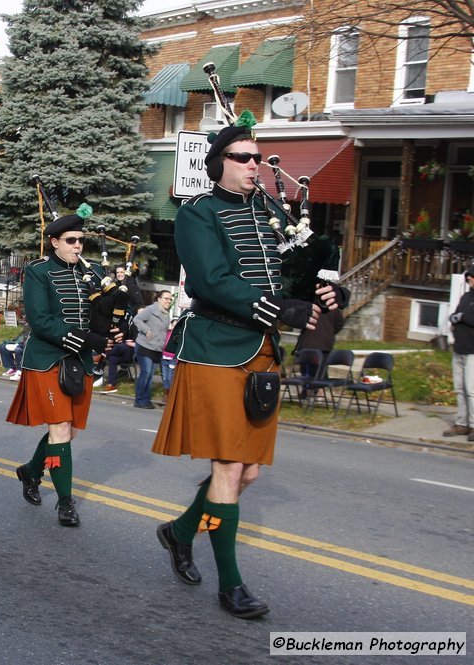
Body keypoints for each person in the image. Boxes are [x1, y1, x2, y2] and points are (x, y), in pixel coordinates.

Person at [150, 114, 342, 619]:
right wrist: (275, 308)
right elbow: (209, 281)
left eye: (258, 157)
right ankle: (230, 585)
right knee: (229, 468)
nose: (255, 164)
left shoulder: (271, 209)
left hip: (260, 351)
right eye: (244, 157)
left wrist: (322, 290)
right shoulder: (197, 214)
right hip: (214, 346)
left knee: (248, 473)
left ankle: (181, 531)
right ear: (219, 166)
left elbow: (289, 271)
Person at [7, 206, 116, 526]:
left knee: (67, 433)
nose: (78, 246)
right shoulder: (39, 271)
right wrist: (85, 340)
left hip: (78, 362)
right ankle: (66, 503)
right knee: (59, 429)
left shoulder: (93, 271)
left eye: (81, 240)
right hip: (47, 359)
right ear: (54, 242)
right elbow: (40, 321)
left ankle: (30, 471)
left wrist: (115, 330)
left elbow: (103, 313)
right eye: (71, 240)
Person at [444, 265, 474, 438]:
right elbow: (454, 315)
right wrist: (457, 317)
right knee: (459, 388)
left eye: (472, 276)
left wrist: (461, 317)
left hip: (472, 351)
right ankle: (461, 423)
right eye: (468, 276)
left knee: (471, 390)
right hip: (459, 348)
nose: (469, 278)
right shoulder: (465, 296)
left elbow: (467, 317)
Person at [133, 290, 172, 408]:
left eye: (170, 299)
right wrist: (146, 330)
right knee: (146, 372)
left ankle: (146, 399)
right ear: (159, 299)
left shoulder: (166, 314)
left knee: (149, 375)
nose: (168, 301)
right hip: (145, 345)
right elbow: (137, 319)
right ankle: (139, 400)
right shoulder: (150, 309)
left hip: (157, 348)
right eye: (166, 298)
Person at [160, 317, 179, 395]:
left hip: (172, 359)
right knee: (164, 376)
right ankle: (166, 393)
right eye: (173, 324)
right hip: (164, 357)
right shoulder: (167, 333)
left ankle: (170, 394)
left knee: (170, 377)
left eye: (176, 325)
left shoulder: (178, 335)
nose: (174, 327)